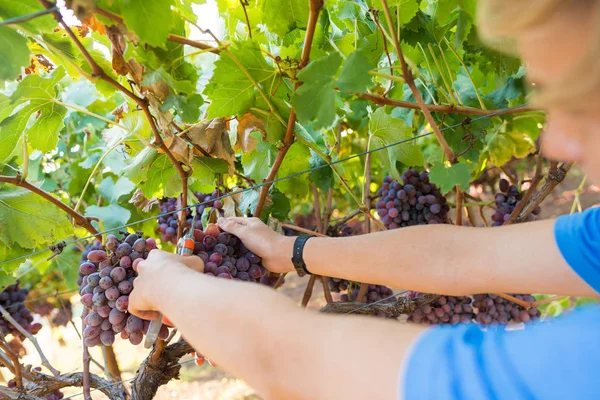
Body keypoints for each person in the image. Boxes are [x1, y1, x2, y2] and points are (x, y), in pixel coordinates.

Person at [129, 1, 600, 399]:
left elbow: (293, 359)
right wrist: (292, 252)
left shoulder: (580, 364)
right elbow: (459, 256)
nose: (556, 140)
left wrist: (172, 287)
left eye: (582, 103)